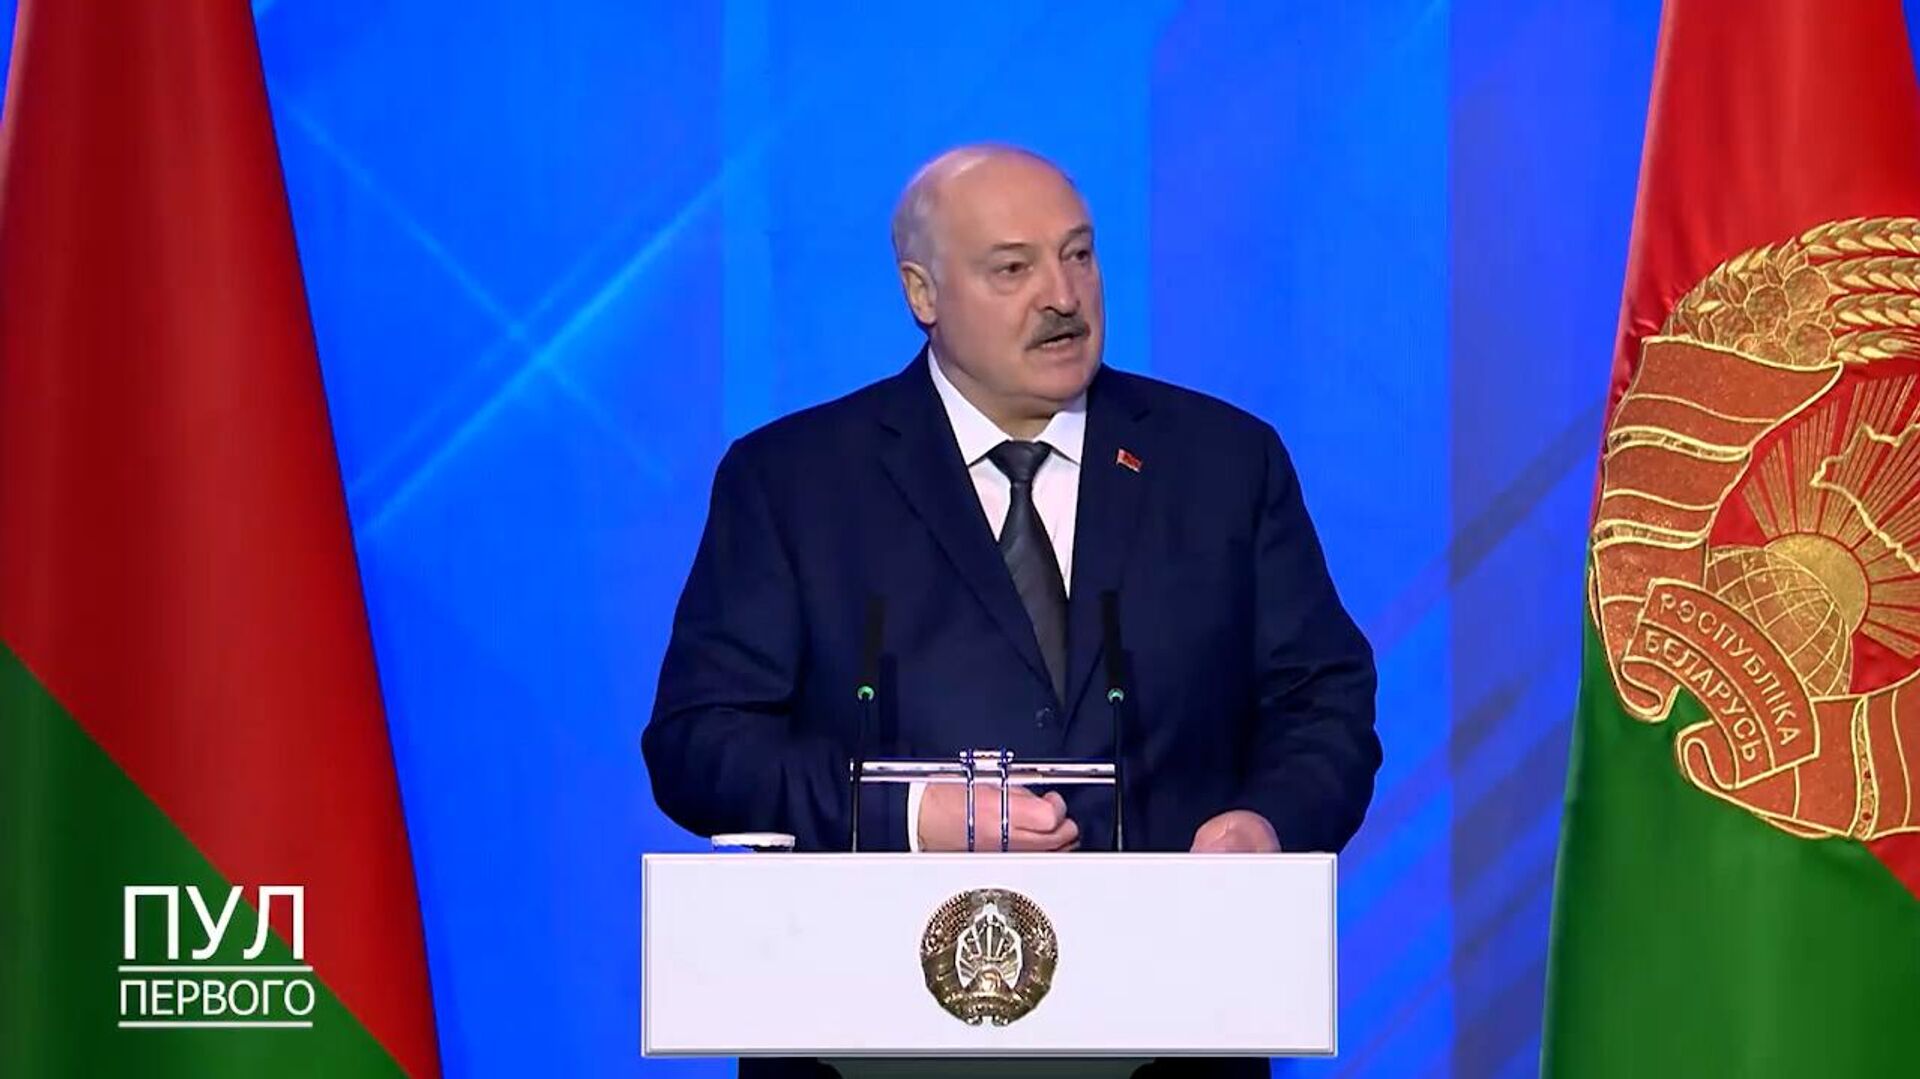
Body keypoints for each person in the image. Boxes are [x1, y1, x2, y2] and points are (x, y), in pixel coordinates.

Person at [642, 145, 1380, 1076]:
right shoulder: (793, 481)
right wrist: (911, 813)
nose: (1062, 296)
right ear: (922, 292)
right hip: (866, 1040)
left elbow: (1323, 705)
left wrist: (1267, 823)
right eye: (1012, 269)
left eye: (1078, 255)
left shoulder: (1223, 463)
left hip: (1170, 1036)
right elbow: (700, 745)